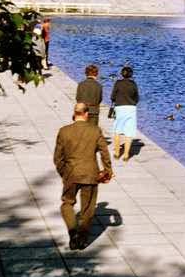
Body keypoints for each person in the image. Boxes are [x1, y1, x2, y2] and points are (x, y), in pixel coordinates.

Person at [54, 103, 112, 250]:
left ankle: (73, 232)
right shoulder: (95, 130)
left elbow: (58, 158)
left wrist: (64, 173)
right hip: (90, 174)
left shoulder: (64, 131)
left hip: (71, 174)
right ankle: (83, 239)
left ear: (75, 114)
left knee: (67, 203)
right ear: (86, 114)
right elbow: (104, 153)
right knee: (88, 209)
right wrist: (107, 171)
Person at [110, 65, 139, 161]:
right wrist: (133, 103)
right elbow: (137, 98)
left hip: (120, 107)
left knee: (117, 130)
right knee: (129, 132)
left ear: (122, 74)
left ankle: (117, 153)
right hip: (131, 108)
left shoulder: (118, 83)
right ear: (131, 75)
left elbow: (112, 96)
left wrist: (116, 100)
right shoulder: (133, 84)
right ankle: (126, 155)